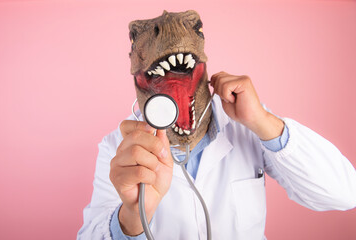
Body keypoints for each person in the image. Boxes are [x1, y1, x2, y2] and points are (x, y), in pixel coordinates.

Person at [77, 11, 356, 240]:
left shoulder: (250, 125)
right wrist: (132, 216)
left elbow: (344, 193)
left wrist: (262, 120)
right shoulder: (116, 148)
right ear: (133, 66)